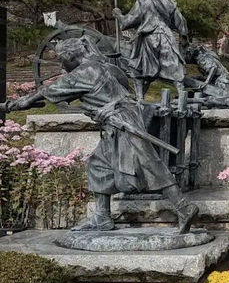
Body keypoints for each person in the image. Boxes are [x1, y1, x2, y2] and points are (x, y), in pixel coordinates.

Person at [5, 38, 199, 233]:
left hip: (122, 123)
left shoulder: (84, 72)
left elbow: (45, 91)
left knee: (149, 165)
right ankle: (102, 217)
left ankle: (184, 207)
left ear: (71, 55)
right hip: (119, 121)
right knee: (98, 165)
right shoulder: (102, 65)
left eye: (62, 60)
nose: (62, 65)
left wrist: (13, 105)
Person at [114, 0, 188, 103]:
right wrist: (184, 39)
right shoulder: (169, 1)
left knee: (139, 67)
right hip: (166, 37)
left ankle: (140, 98)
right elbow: (181, 23)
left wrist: (118, 15)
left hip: (149, 38)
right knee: (173, 67)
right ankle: (182, 96)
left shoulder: (143, 1)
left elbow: (127, 22)